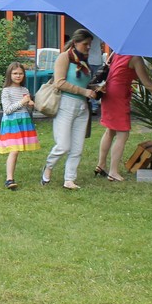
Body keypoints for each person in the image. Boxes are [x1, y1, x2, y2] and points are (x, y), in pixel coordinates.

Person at [94, 53, 152, 182]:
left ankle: (101, 165)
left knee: (110, 130)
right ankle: (113, 171)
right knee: (123, 134)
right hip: (119, 95)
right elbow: (148, 84)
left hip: (108, 92)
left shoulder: (117, 52)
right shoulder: (135, 58)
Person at [41, 28, 98, 190]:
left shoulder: (84, 61)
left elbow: (82, 84)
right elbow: (59, 82)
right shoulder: (64, 57)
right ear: (75, 43)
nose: (88, 47)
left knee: (77, 147)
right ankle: (48, 166)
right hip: (65, 104)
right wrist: (85, 91)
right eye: (85, 44)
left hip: (82, 106)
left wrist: (94, 88)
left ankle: (69, 179)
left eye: (90, 45)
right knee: (63, 145)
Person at [0, 62, 38, 190]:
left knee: (16, 151)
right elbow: (8, 110)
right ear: (10, 75)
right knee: (14, 150)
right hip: (11, 123)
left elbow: (27, 109)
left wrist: (30, 105)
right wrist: (22, 102)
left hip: (23, 122)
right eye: (15, 73)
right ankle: (9, 179)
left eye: (21, 73)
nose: (18, 76)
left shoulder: (24, 90)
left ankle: (10, 178)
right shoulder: (6, 91)